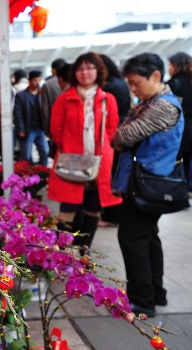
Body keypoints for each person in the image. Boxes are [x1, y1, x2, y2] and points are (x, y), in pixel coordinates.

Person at [112, 53, 184, 317]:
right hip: (146, 183)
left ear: (155, 76)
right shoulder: (151, 102)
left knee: (132, 238)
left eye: (135, 83)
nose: (132, 89)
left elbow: (123, 136)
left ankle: (142, 301)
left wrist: (122, 133)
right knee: (148, 237)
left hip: (148, 185)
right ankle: (155, 292)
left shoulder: (163, 106)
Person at [48, 52, 121, 252]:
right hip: (71, 164)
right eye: (80, 68)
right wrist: (71, 148)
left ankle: (83, 251)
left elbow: (111, 130)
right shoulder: (65, 99)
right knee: (67, 210)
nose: (85, 72)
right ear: (74, 73)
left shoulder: (108, 99)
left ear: (98, 71)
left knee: (93, 209)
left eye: (90, 68)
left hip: (99, 164)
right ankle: (62, 253)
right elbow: (56, 130)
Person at [98, 54, 132, 227]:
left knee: (111, 177)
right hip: (119, 131)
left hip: (114, 135)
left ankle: (112, 216)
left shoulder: (110, 87)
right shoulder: (119, 82)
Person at [167, 52, 192, 195]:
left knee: (178, 160)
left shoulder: (173, 84)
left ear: (177, 66)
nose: (169, 68)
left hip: (180, 128)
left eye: (170, 64)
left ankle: (179, 191)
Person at [14, 70, 49, 165]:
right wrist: (20, 129)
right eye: (35, 80)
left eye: (39, 80)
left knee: (45, 151)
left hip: (40, 129)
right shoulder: (21, 95)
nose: (37, 83)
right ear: (30, 80)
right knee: (26, 155)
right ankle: (27, 175)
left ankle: (43, 171)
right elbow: (18, 113)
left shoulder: (42, 94)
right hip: (28, 129)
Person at [41, 58, 67, 137]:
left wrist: (46, 129)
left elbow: (45, 109)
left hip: (55, 125)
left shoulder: (47, 85)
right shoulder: (75, 81)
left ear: (54, 70)